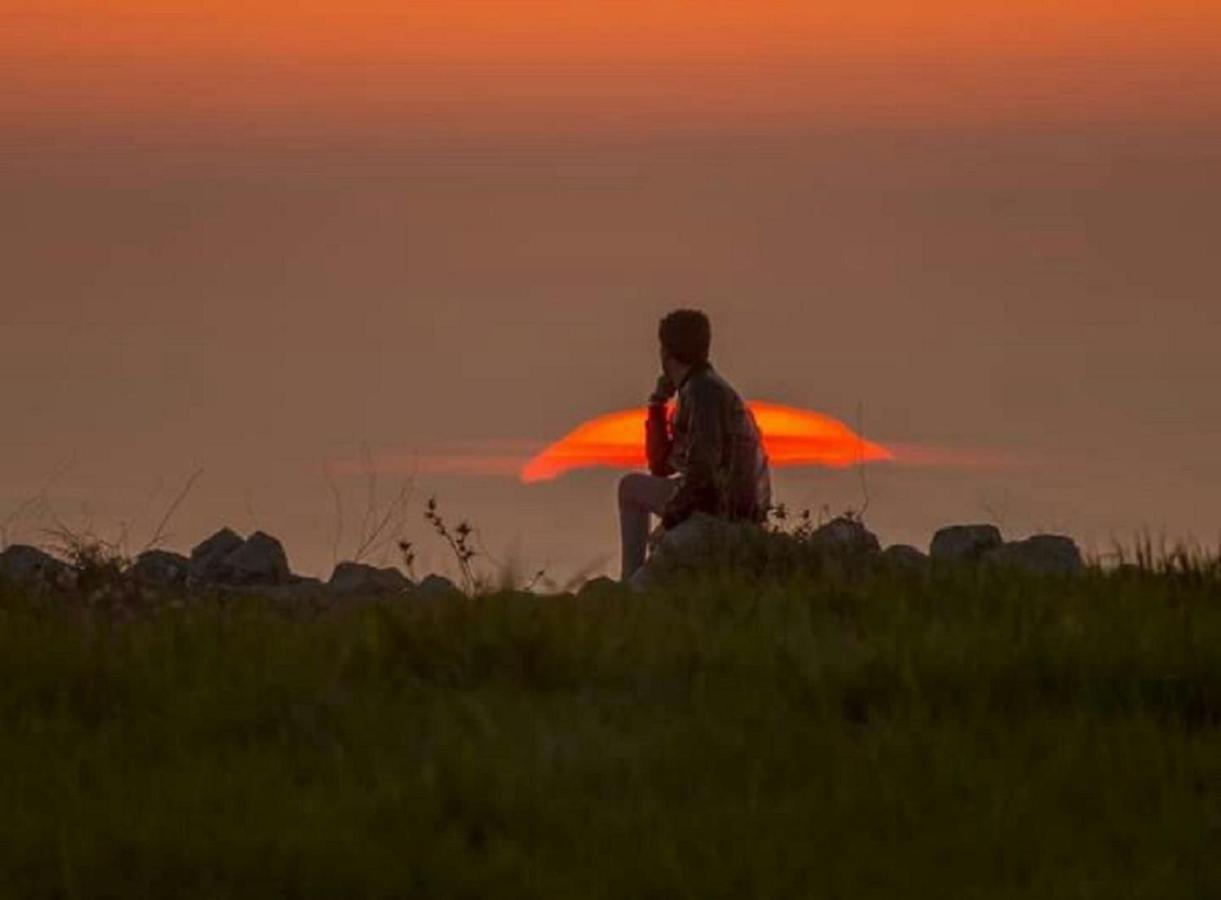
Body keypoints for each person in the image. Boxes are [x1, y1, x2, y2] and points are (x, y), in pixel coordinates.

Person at [618, 309, 771, 581]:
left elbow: (703, 471)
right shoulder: (698, 389)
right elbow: (660, 466)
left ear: (666, 353)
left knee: (646, 582)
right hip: (716, 505)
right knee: (630, 488)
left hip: (723, 516)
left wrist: (671, 520)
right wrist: (657, 405)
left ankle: (632, 582)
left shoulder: (704, 392)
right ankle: (630, 576)